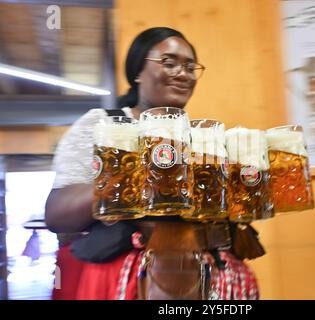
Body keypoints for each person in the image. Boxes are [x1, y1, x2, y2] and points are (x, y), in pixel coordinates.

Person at [45, 27, 260, 300]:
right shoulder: (104, 124)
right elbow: (56, 215)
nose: (183, 73)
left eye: (190, 67)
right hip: (123, 280)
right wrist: (129, 176)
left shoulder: (205, 138)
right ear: (137, 72)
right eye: (169, 63)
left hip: (207, 278)